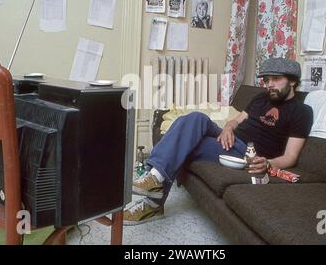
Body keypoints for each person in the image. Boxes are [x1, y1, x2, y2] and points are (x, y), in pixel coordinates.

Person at [123, 58, 314, 225]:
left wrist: (268, 163)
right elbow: (237, 120)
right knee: (194, 118)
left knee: (185, 141)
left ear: (293, 81)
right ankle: (155, 178)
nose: (269, 85)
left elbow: (291, 156)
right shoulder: (260, 98)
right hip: (230, 139)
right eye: (266, 80)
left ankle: (152, 199)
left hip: (247, 154)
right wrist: (228, 128)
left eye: (275, 79)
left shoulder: (301, 112)